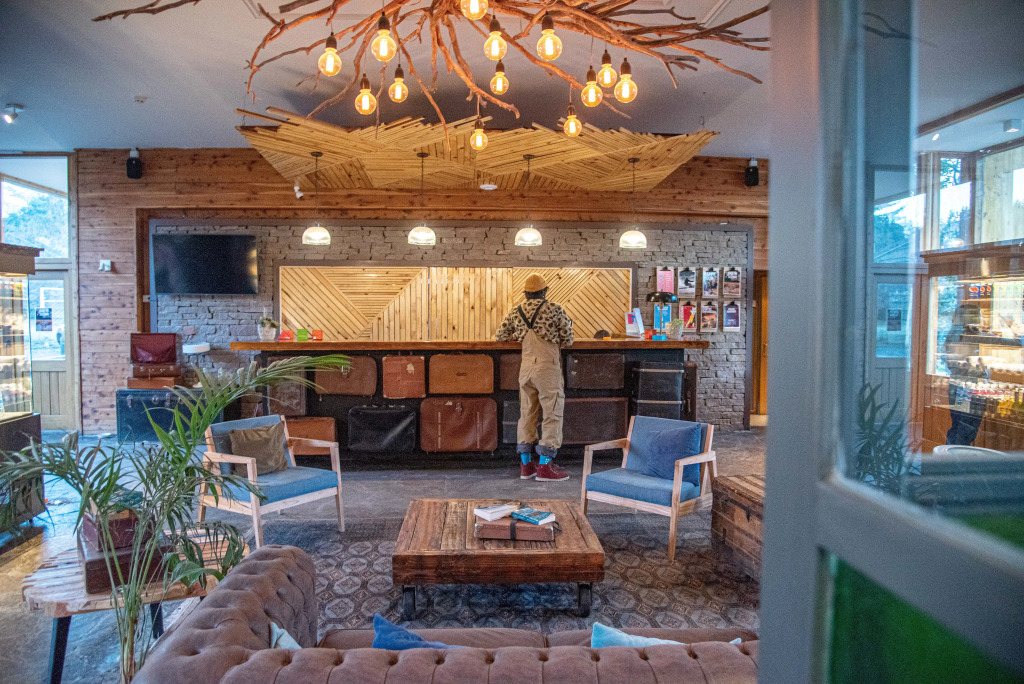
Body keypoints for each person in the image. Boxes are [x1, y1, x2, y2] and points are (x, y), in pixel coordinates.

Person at [495, 273, 574, 481]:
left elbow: (500, 335)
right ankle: (545, 467)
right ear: (545, 291)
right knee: (552, 413)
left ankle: (526, 466)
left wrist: (519, 335)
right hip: (547, 368)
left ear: (526, 293)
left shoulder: (516, 311)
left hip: (526, 368)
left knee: (527, 414)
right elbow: (568, 338)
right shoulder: (554, 309)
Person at [944, 303, 984, 446]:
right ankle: (957, 458)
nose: (981, 318)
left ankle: (948, 456)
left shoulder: (953, 332)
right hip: (968, 386)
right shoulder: (968, 333)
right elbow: (966, 364)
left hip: (956, 385)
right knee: (966, 429)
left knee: (958, 426)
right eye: (978, 315)